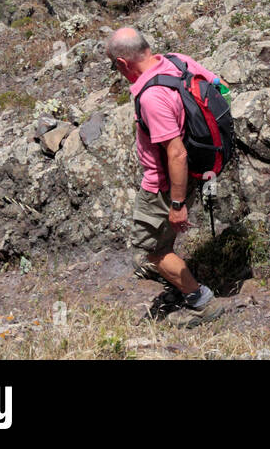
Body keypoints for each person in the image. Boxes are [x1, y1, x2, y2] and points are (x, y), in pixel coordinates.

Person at [106, 27, 225, 326]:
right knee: (161, 242)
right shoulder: (177, 61)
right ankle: (175, 274)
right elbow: (220, 87)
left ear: (123, 63)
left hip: (164, 185)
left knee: (151, 251)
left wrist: (176, 203)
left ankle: (201, 302)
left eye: (115, 67)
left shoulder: (151, 97)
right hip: (196, 169)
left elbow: (176, 154)